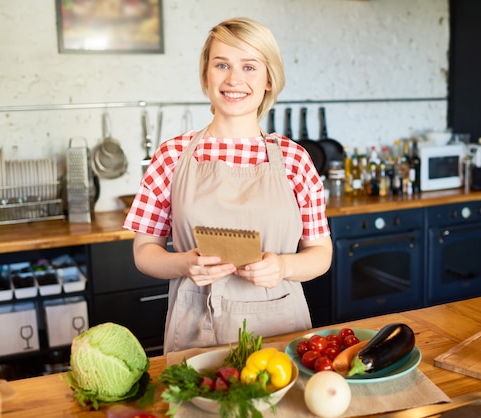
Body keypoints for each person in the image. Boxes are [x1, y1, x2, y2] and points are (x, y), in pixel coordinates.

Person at [123, 17, 332, 353]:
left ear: (268, 79)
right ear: (207, 74)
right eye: (222, 64)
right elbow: (144, 251)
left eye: (250, 67)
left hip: (278, 331)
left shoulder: (295, 158)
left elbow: (321, 253)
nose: (234, 79)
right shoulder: (172, 155)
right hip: (195, 327)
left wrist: (284, 266)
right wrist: (183, 264)